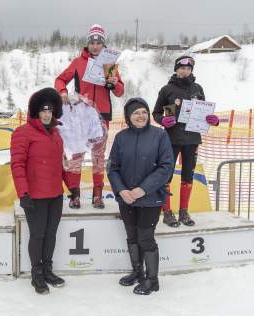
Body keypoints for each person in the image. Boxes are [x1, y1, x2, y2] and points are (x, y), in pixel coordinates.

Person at [108, 98, 174, 295]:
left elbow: (166, 167)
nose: (141, 116)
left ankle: (152, 280)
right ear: (129, 117)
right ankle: (137, 272)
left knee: (146, 239)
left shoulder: (160, 135)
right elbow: (113, 167)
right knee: (132, 237)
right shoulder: (121, 137)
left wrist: (143, 189)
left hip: (150, 198)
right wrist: (121, 190)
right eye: (136, 112)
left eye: (144, 112)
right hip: (126, 198)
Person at [55, 24, 124, 209]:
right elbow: (60, 79)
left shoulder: (109, 64)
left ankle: (98, 194)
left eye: (98, 42)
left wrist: (115, 82)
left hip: (102, 115)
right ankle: (74, 194)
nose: (95, 46)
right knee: (77, 153)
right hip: (81, 114)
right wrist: (62, 91)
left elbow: (119, 91)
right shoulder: (78, 62)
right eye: (92, 42)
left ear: (103, 44)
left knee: (98, 156)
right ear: (88, 43)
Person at [153, 56, 220, 227]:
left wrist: (213, 119)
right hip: (171, 139)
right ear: (176, 69)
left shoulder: (197, 89)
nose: (185, 71)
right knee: (166, 176)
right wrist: (163, 120)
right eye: (182, 68)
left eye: (188, 69)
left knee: (187, 176)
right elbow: (156, 113)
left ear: (191, 71)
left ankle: (183, 211)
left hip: (192, 140)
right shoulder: (167, 89)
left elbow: (205, 113)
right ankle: (167, 212)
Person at [10, 88, 66, 294]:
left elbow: (61, 164)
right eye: (43, 111)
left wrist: (73, 187)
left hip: (55, 195)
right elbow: (17, 165)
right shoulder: (22, 133)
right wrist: (23, 193)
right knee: (38, 235)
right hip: (35, 197)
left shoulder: (56, 133)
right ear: (35, 112)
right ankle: (37, 273)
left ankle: (48, 270)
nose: (46, 114)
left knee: (51, 235)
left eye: (50, 111)